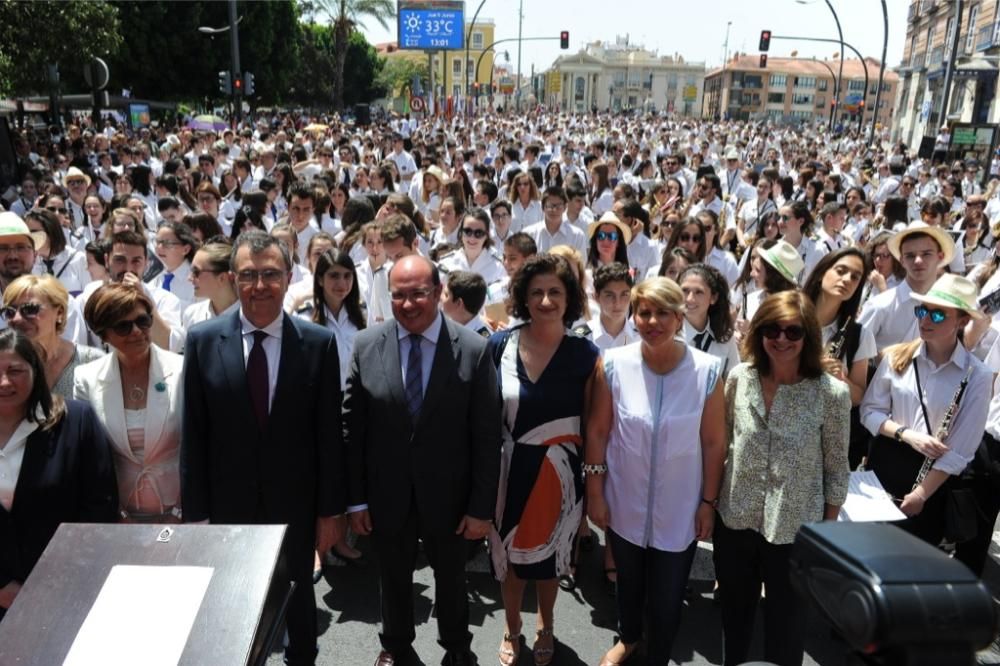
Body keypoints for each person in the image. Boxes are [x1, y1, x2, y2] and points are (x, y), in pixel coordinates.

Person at [181, 230, 346, 666]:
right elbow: (193, 436)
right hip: (227, 505)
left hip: (295, 504)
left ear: (289, 277)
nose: (259, 286)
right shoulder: (202, 341)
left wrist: (330, 513)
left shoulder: (317, 343)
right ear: (233, 278)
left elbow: (330, 436)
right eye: (249, 275)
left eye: (270, 274)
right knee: (232, 609)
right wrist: (195, 514)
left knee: (299, 604)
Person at [343, 254, 501, 666]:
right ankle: (395, 645)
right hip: (386, 494)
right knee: (392, 575)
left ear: (438, 292)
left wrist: (481, 508)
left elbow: (487, 437)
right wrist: (356, 501)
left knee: (451, 578)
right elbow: (353, 430)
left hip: (451, 497)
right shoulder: (366, 345)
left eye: (418, 294)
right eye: (399, 296)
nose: (408, 304)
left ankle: (457, 647)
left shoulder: (473, 350)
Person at [585, 277, 726, 666]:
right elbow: (598, 430)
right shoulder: (613, 364)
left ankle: (659, 653)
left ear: (680, 318)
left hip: (680, 506)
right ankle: (628, 638)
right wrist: (595, 491)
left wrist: (708, 503)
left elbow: (714, 443)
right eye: (644, 312)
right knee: (627, 582)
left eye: (663, 312)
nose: (652, 321)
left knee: (667, 594)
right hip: (624, 499)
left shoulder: (707, 371)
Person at [715, 290, 851, 666]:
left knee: (786, 632)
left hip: (795, 533)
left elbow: (837, 467)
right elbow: (723, 444)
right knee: (734, 621)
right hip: (735, 520)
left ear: (808, 336)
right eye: (772, 329)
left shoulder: (831, 394)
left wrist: (827, 533)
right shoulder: (740, 378)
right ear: (759, 332)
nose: (781, 339)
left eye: (793, 332)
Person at [488, 254, 599, 666]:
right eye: (536, 292)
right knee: (511, 559)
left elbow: (593, 423)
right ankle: (512, 625)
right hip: (508, 471)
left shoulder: (586, 353)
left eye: (555, 291)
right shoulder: (499, 344)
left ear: (569, 297)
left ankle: (546, 624)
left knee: (551, 559)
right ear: (522, 297)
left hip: (562, 473)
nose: (546, 300)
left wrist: (593, 483)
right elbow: (485, 418)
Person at [861, 274, 991, 546]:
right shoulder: (898, 356)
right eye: (922, 311)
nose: (925, 320)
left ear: (962, 321)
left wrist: (921, 494)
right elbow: (870, 411)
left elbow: (960, 451)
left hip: (931, 485)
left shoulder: (977, 375)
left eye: (938, 315)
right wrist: (907, 435)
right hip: (884, 465)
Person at [0, 328, 118, 622]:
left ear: (35, 371)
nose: (4, 382)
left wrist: (59, 583)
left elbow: (99, 508)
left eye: (15, 371)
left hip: (65, 594)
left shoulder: (75, 422)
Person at [75, 283, 185, 523]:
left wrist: (178, 512)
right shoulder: (86, 378)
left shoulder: (182, 370)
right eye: (123, 326)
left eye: (143, 321)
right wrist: (119, 514)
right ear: (102, 333)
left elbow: (198, 448)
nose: (137, 331)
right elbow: (89, 459)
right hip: (118, 513)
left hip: (180, 512)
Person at [859, 221, 955, 353]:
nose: (918, 261)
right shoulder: (879, 306)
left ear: (940, 257)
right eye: (910, 256)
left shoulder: (950, 307)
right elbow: (853, 352)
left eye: (926, 254)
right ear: (901, 260)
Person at [2, 275, 103, 397]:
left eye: (30, 309)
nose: (17, 318)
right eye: (9, 312)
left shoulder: (92, 362)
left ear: (59, 313)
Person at [171, 239, 240, 353]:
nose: (190, 278)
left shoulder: (250, 317)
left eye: (196, 272)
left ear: (222, 278)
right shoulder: (192, 314)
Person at [680, 264, 740, 376]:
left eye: (699, 292)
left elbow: (733, 379)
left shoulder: (725, 336)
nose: (690, 299)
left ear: (713, 298)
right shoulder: (669, 334)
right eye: (685, 290)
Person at [23, 208, 89, 296]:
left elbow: (90, 296)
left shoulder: (79, 259)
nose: (29, 237)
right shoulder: (30, 264)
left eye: (34, 232)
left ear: (51, 231)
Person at [438, 208, 506, 286]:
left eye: (478, 233)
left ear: (487, 235)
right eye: (467, 231)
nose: (472, 238)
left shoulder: (499, 265)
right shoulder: (446, 262)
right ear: (461, 232)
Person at [149, 220, 199, 305]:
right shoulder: (151, 275)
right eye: (157, 241)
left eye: (167, 243)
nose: (159, 247)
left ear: (185, 249)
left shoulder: (197, 280)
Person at [440, 270, 491, 336]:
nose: (441, 297)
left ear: (458, 303)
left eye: (446, 295)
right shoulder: (445, 322)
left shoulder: (481, 341)